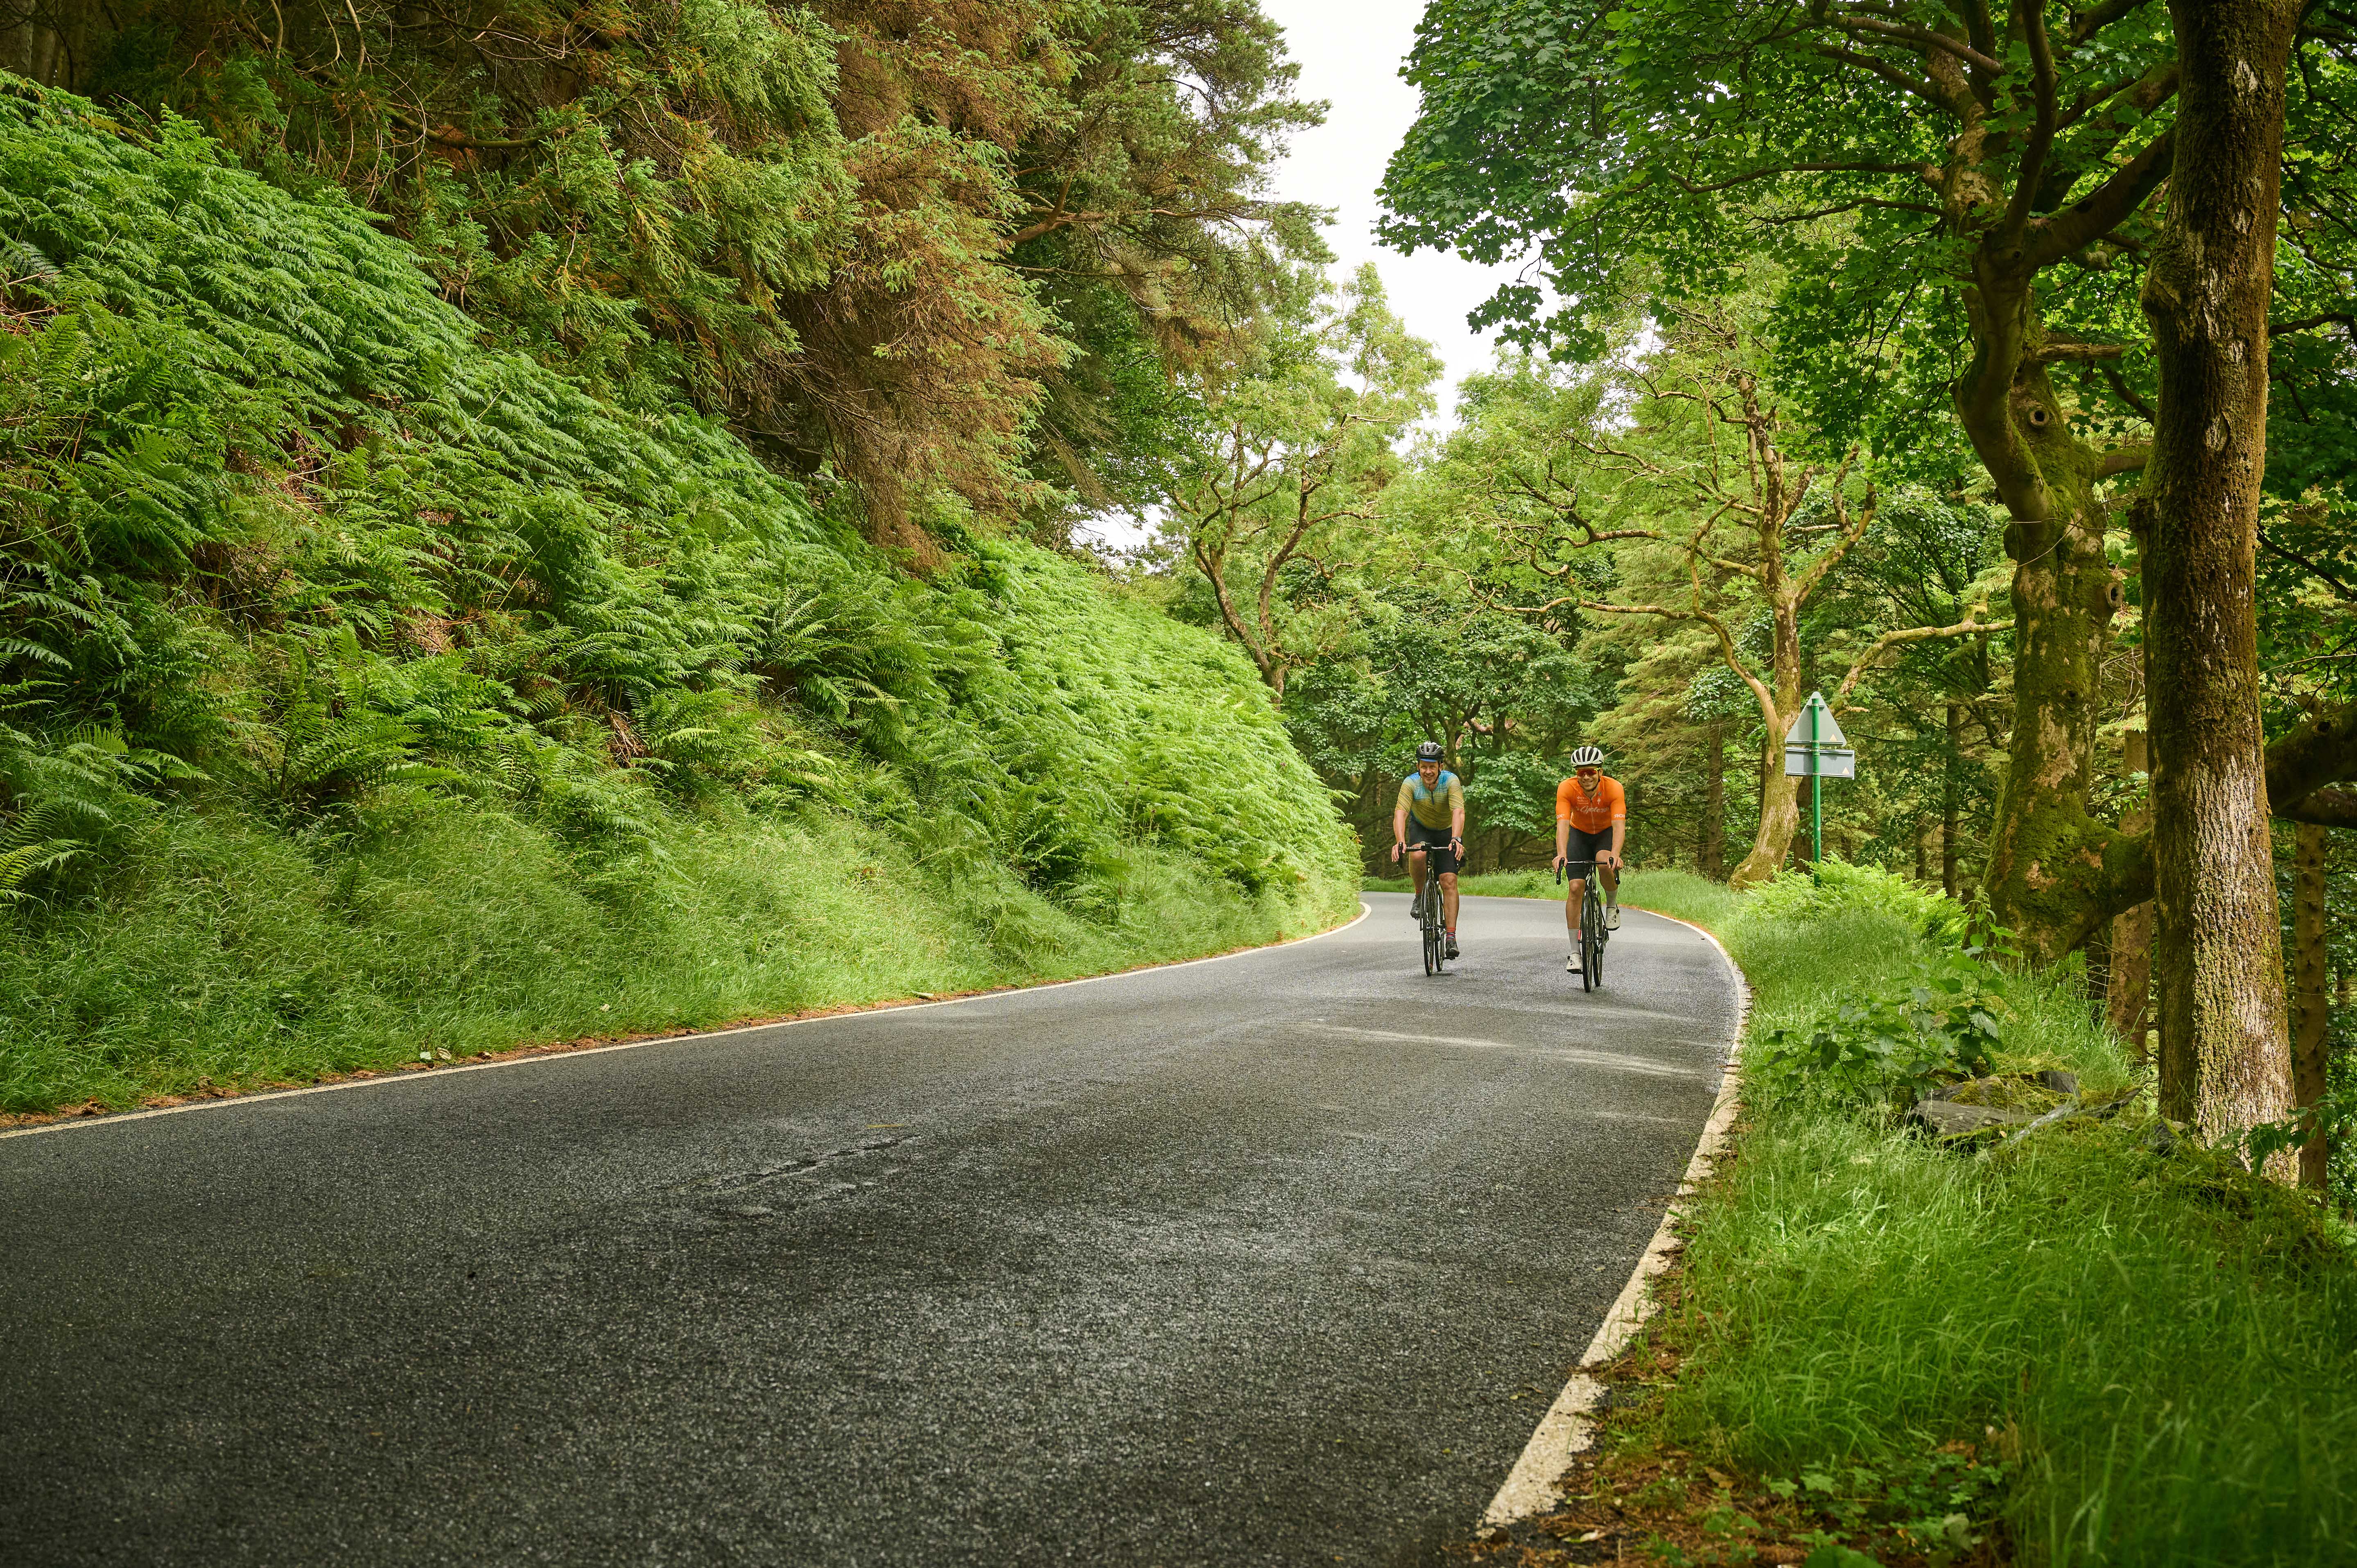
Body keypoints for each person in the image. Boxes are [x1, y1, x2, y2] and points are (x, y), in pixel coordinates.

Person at [1551, 745, 1625, 972]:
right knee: (1575, 888)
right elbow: (1563, 825)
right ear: (1576, 773)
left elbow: (1619, 825)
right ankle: (1575, 953)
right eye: (1581, 772)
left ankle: (1611, 905)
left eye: (1591, 771)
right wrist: (1561, 853)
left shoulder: (1614, 788)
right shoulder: (1567, 788)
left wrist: (1616, 854)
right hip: (1579, 835)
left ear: (1600, 771)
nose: (1586, 777)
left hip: (1605, 835)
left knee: (1605, 863)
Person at [1392, 741, 1465, 958]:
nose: (1428, 771)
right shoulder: (1411, 783)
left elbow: (1458, 812)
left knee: (1449, 881)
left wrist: (1457, 839)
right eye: (1424, 766)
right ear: (1418, 766)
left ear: (1440, 766)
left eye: (1432, 766)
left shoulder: (1451, 781)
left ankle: (1451, 937)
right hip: (1421, 828)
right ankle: (1419, 895)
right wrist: (1400, 841)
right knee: (1417, 854)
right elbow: (1401, 813)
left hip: (1446, 831)